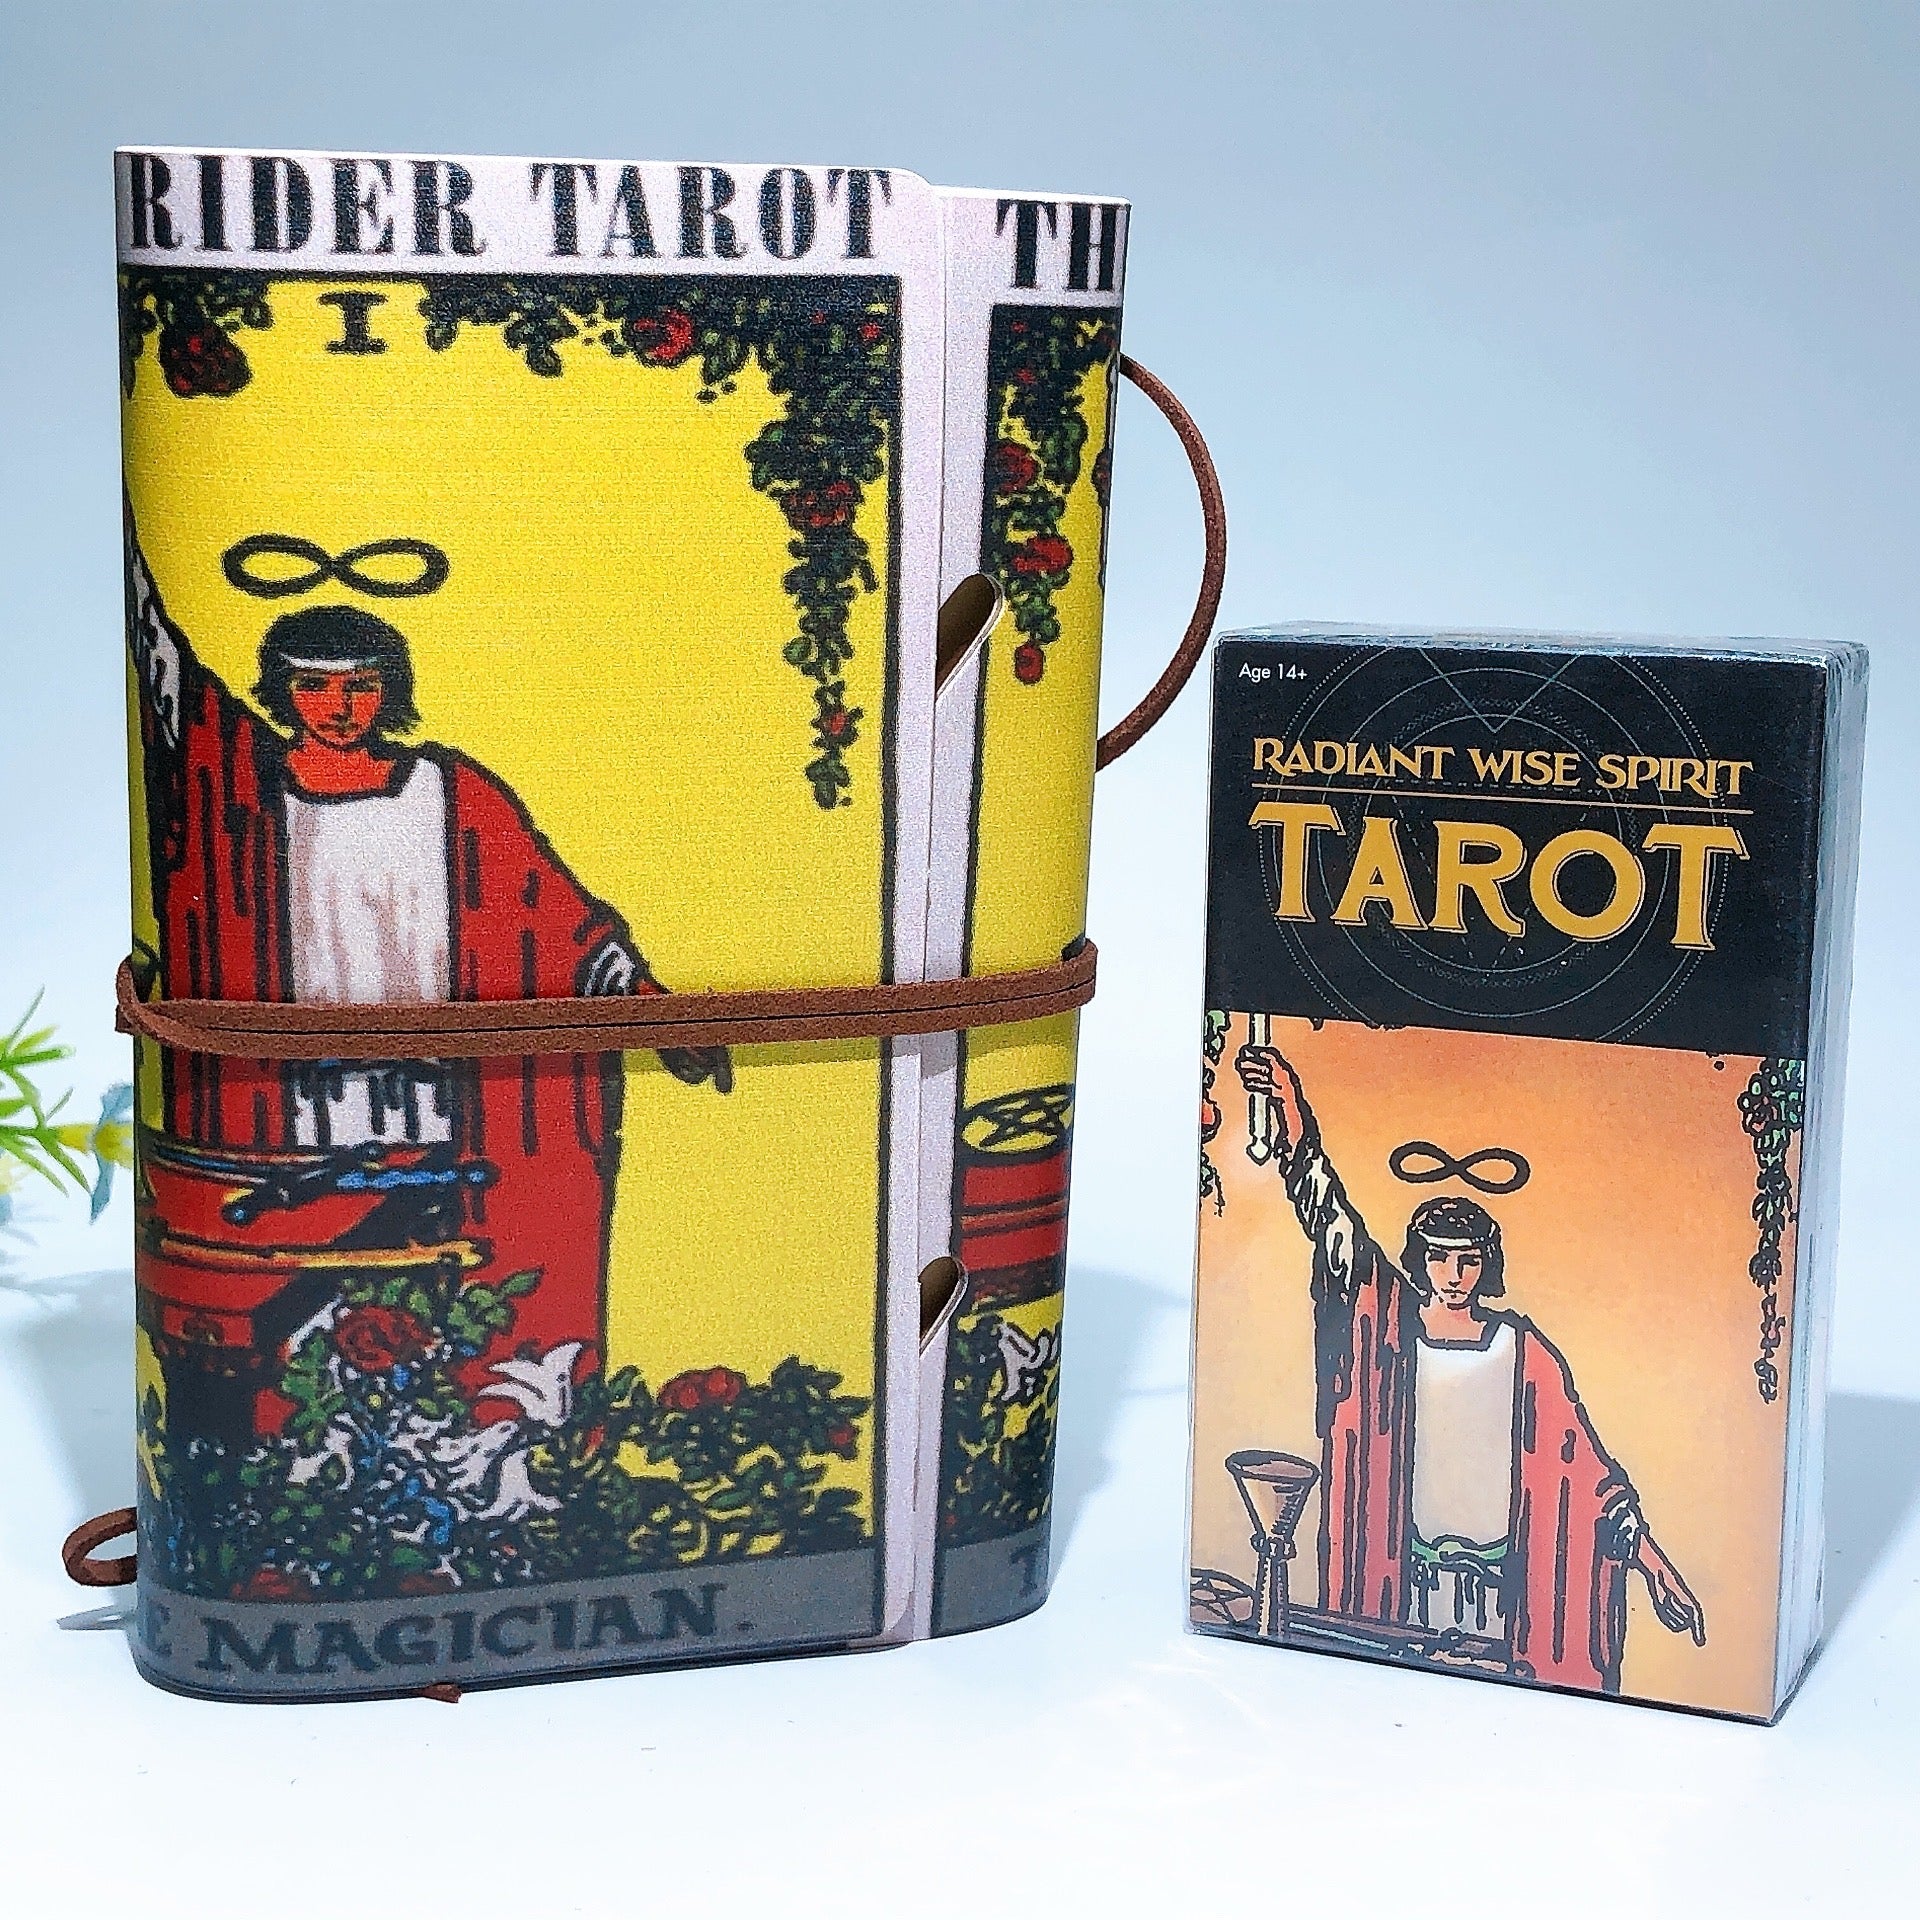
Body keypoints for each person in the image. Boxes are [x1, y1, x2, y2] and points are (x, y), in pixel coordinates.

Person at [126, 514, 729, 1381]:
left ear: (390, 690)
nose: (340, 707)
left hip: (448, 1111)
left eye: (361, 686)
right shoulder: (241, 798)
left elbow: (558, 921)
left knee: (445, 1302)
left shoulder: (453, 793)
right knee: (306, 1307)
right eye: (315, 686)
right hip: (297, 1114)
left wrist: (655, 1015)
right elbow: (168, 678)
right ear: (282, 691)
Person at [1234, 1038, 1704, 1693]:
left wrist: (1653, 1565)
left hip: (1506, 1597)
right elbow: (1334, 1227)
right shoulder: (1389, 1330)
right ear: (1419, 1259)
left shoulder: (1523, 1352)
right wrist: (1296, 1137)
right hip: (1406, 1585)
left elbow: (1590, 1478)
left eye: (1469, 1260)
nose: (1454, 1274)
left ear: (1488, 1265)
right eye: (1439, 1257)